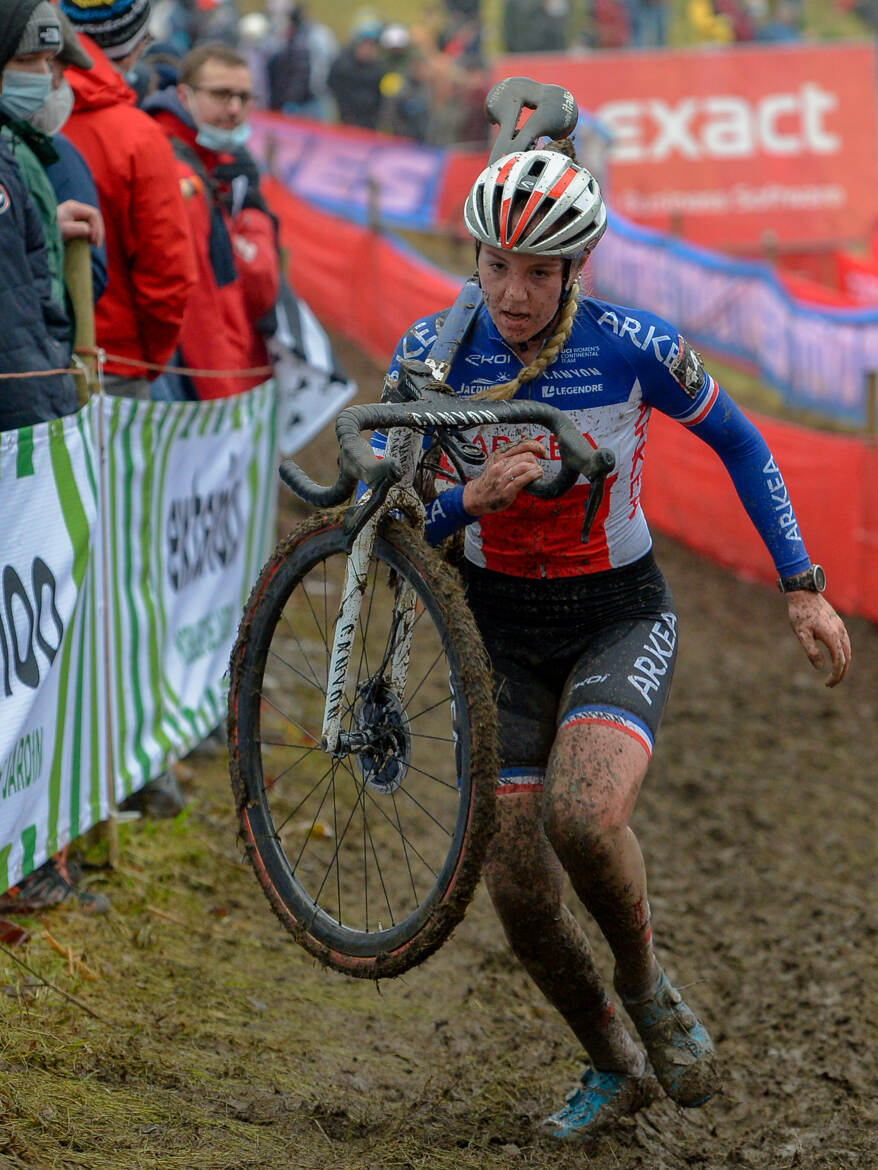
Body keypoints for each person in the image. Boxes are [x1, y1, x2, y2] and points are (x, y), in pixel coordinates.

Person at [383, 143, 852, 1137]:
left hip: (614, 613)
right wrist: (465, 496)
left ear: (574, 272)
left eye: (539, 273)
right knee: (514, 884)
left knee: (583, 817)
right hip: (495, 629)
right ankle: (610, 1059)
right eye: (496, 265)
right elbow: (389, 523)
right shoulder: (428, 354)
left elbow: (740, 440)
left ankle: (646, 987)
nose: (513, 294)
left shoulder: (632, 343)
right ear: (472, 255)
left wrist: (801, 587)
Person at [58, 0, 196, 400]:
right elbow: (167, 270)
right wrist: (149, 358)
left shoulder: (22, 112)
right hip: (116, 365)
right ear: (135, 44)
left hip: (34, 360)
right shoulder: (138, 136)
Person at [144, 41, 279, 400]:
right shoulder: (176, 170)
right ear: (185, 94)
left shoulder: (212, 161)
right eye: (221, 95)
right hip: (184, 377)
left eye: (244, 97)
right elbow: (198, 301)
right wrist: (223, 392)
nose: (234, 108)